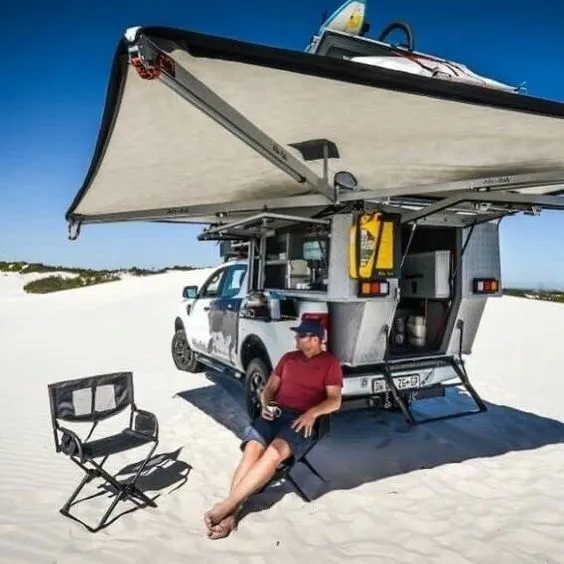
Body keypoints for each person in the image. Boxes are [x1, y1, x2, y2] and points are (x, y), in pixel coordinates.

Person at [204, 318, 343, 539]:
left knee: (273, 453)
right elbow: (269, 389)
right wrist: (268, 404)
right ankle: (232, 512)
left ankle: (227, 507)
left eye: (301, 336)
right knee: (252, 450)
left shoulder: (330, 363)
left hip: (301, 420)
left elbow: (335, 401)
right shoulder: (288, 359)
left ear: (315, 340)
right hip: (276, 413)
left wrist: (312, 413)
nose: (296, 339)